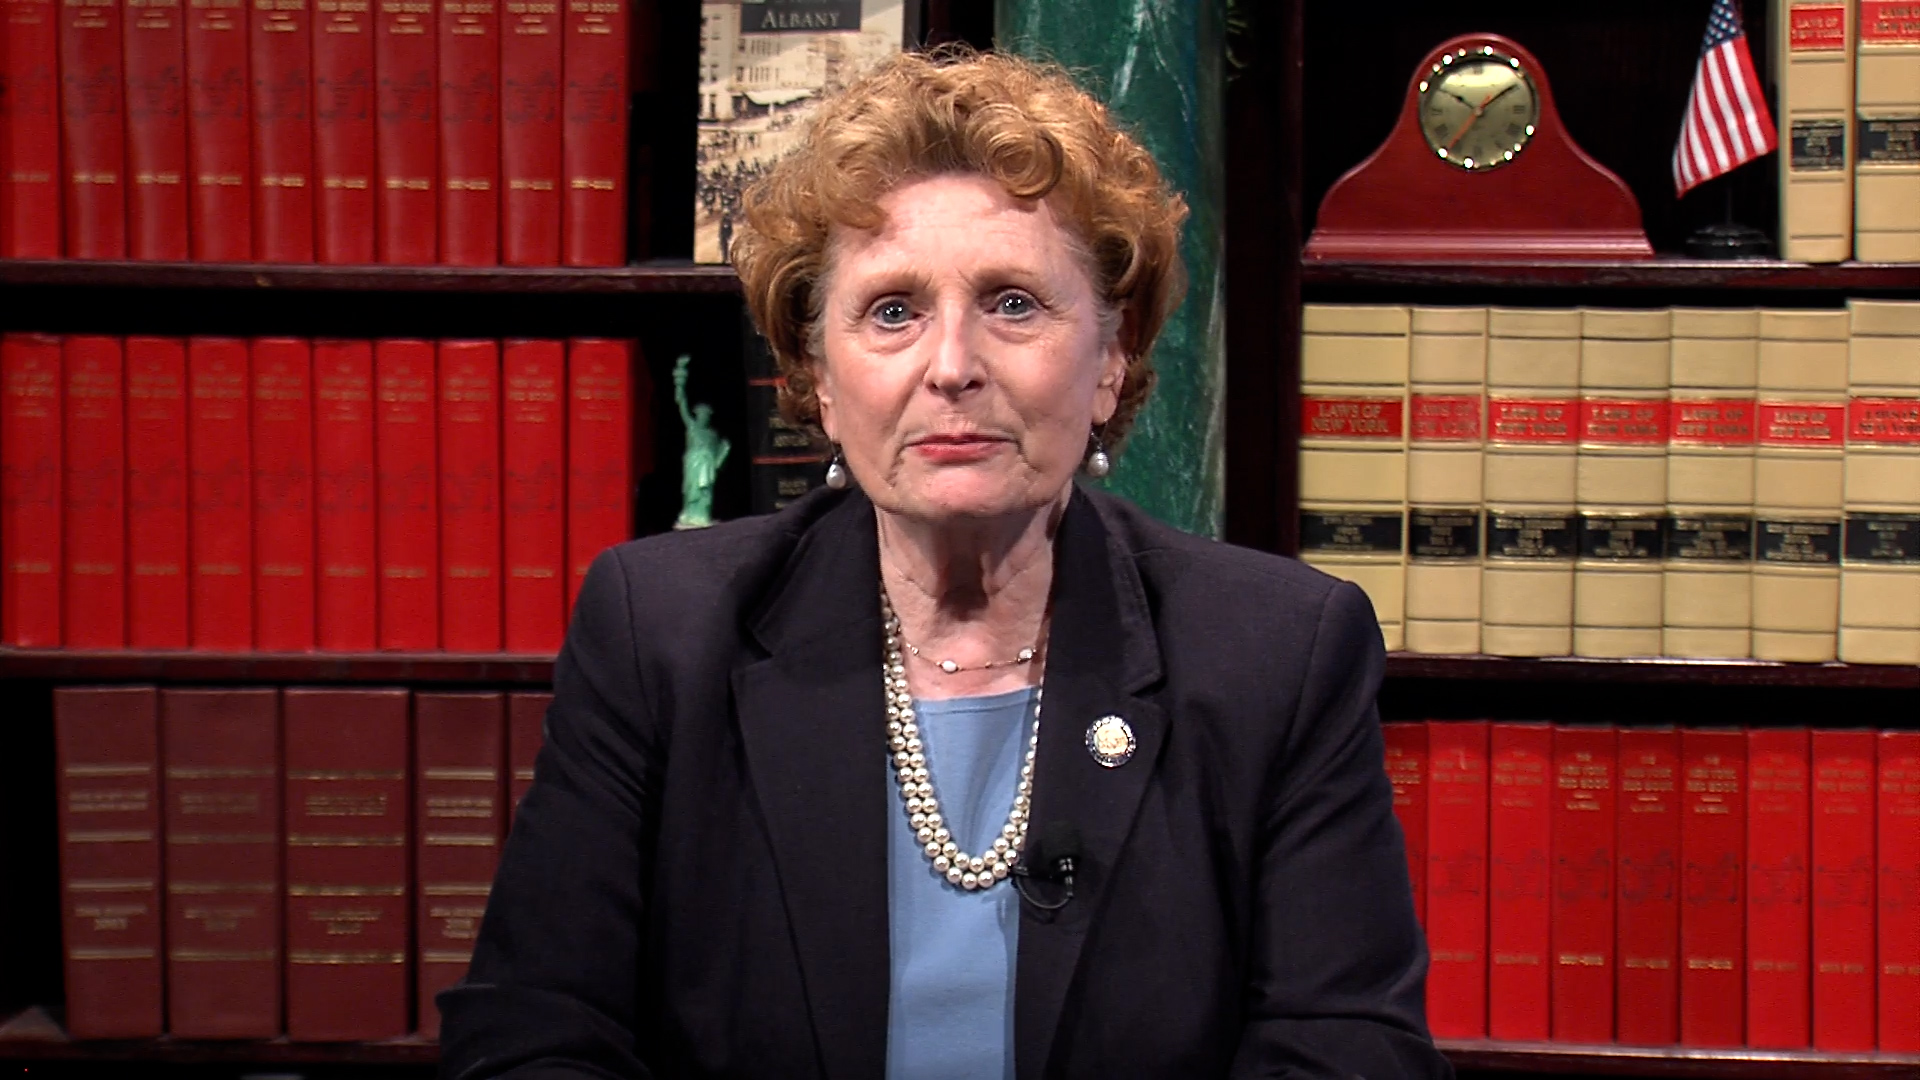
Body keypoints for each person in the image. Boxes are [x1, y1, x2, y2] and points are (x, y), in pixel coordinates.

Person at [439, 48, 1450, 1080]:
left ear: (1111, 359)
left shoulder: (1277, 654)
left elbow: (1348, 1049)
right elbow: (533, 1034)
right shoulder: (659, 633)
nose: (953, 366)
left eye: (1013, 303)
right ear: (819, 379)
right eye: (893, 311)